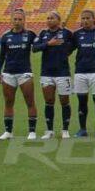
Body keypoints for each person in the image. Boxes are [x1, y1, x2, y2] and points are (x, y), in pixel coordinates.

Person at [0, 9, 38, 140]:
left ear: (24, 21)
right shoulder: (5, 36)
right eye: (15, 19)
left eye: (20, 19)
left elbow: (39, 47)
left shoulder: (30, 34)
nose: (17, 22)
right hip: (8, 73)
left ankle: (32, 132)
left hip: (24, 73)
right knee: (8, 102)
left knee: (30, 101)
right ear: (11, 20)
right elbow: (1, 55)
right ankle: (8, 132)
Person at [33, 11, 74, 139]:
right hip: (47, 72)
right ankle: (49, 130)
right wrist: (47, 44)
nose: (49, 20)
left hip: (63, 72)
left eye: (52, 18)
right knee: (49, 101)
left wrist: (67, 51)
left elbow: (74, 45)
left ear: (59, 20)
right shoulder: (43, 34)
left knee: (64, 101)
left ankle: (65, 130)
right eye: (48, 18)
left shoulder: (67, 33)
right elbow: (34, 48)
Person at [71, 10, 95, 138]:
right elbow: (68, 49)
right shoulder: (76, 34)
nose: (85, 21)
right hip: (80, 72)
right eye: (82, 18)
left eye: (87, 18)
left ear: (94, 19)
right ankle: (82, 129)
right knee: (82, 101)